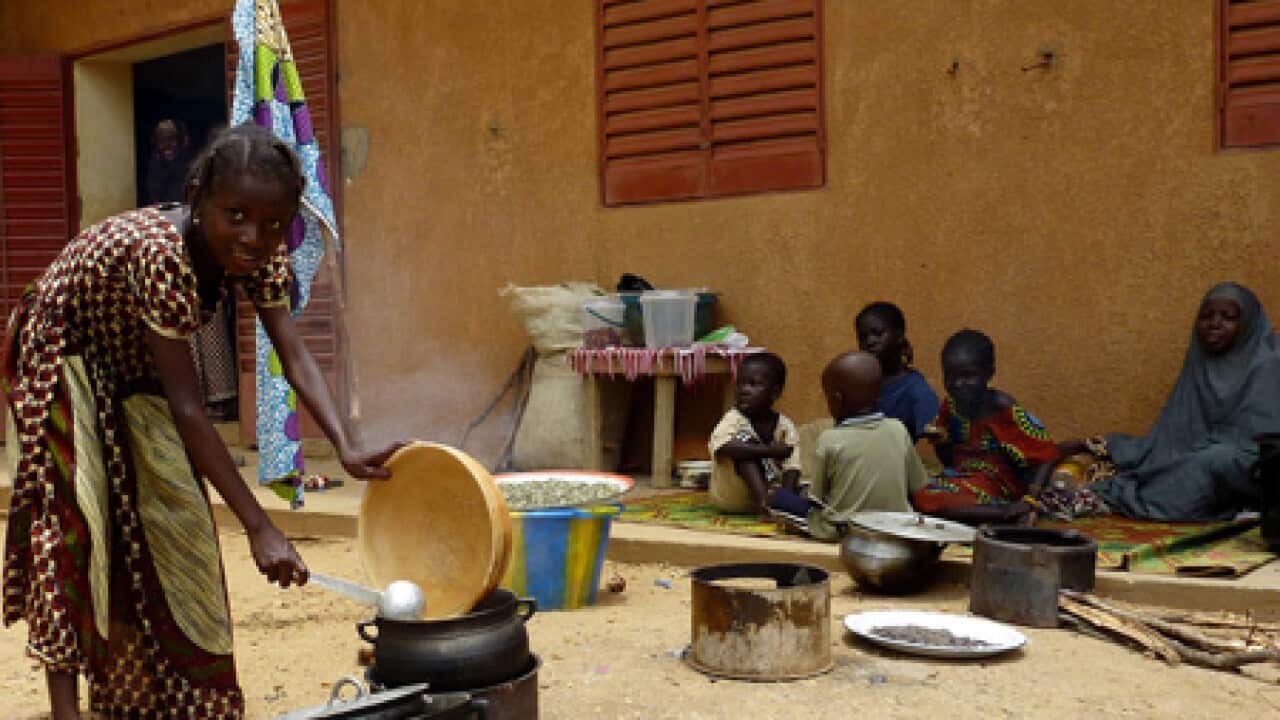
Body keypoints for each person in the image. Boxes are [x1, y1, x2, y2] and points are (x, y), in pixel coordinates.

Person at [2, 123, 402, 719]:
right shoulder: (161, 256)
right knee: (77, 523)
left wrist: (346, 445)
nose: (252, 236)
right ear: (197, 197)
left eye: (272, 224)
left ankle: (172, 700)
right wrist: (260, 526)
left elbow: (293, 355)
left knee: (176, 520)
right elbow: (190, 411)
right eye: (235, 215)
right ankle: (66, 707)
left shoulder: (262, 258)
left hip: (135, 362)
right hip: (63, 352)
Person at [1065, 283, 1280, 521]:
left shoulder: (1269, 364)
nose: (1214, 324)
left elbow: (1264, 443)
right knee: (1166, 461)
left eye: (1228, 317)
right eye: (1206, 316)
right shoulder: (1202, 361)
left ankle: (1120, 500)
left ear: (1248, 324)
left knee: (1212, 460)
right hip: (1206, 458)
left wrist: (1208, 451)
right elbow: (1175, 433)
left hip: (1260, 471)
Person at [768, 352, 928, 540]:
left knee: (777, 498)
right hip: (896, 528)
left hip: (843, 529)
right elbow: (917, 486)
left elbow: (817, 498)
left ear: (837, 399)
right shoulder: (899, 429)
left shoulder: (829, 439)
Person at [911, 330, 1059, 525]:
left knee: (933, 501)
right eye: (950, 376)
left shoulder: (1003, 409)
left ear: (989, 373)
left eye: (967, 376)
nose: (957, 384)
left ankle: (1006, 513)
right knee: (917, 492)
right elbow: (948, 460)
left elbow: (1047, 457)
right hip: (962, 477)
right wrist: (940, 441)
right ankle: (993, 515)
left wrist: (1030, 499)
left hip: (999, 482)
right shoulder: (951, 405)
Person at [707, 352, 801, 516]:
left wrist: (788, 500)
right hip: (732, 498)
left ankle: (777, 505)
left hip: (773, 494)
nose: (743, 390)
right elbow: (724, 447)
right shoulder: (733, 419)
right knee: (743, 444)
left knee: (800, 489)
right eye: (740, 384)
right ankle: (764, 502)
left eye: (752, 384)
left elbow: (792, 467)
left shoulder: (784, 426)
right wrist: (771, 451)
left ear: (775, 392)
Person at [855, 301, 939, 442]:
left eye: (878, 333)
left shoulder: (916, 389)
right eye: (863, 337)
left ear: (899, 336)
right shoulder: (860, 385)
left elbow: (935, 433)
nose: (870, 341)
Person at [144, 118, 195, 205]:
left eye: (171, 139)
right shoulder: (156, 162)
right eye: (162, 140)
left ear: (183, 141)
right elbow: (154, 193)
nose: (166, 145)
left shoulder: (193, 161)